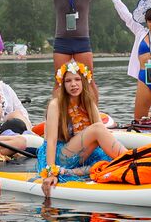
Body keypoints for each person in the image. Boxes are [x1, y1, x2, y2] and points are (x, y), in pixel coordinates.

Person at [36, 61, 127, 196]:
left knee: (106, 161)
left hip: (82, 154)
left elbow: (102, 135)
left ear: (84, 81)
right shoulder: (56, 105)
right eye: (68, 81)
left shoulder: (89, 103)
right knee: (97, 129)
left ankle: (70, 172)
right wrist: (51, 172)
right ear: (63, 84)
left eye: (77, 79)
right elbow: (51, 140)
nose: (73, 84)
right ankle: (131, 160)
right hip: (60, 155)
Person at [0, 56, 34, 154]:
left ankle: (30, 135)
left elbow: (21, 111)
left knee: (17, 114)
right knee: (7, 114)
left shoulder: (5, 89)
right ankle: (28, 141)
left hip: (15, 127)